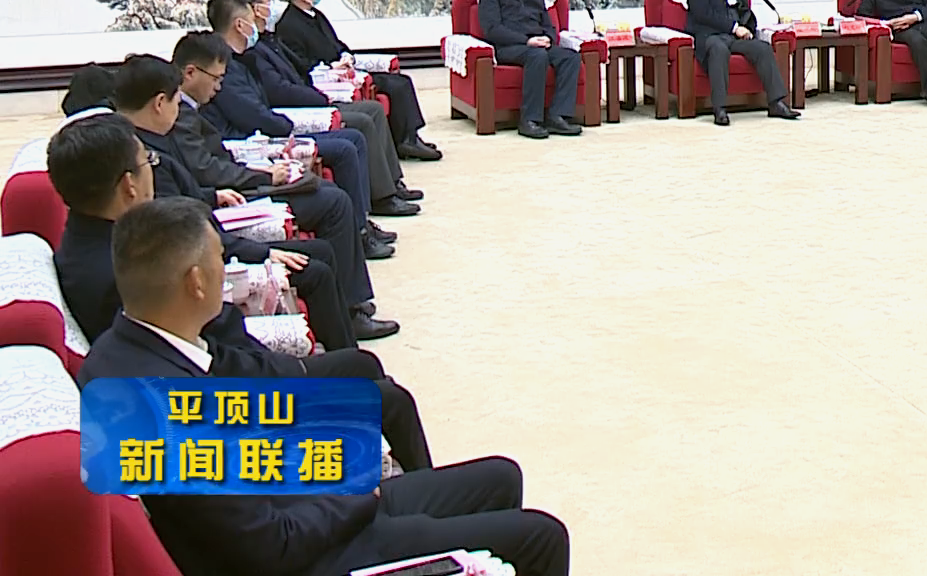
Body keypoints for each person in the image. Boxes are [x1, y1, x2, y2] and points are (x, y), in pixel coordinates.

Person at [77, 197, 566, 576]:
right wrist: (358, 496)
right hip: (315, 553)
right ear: (196, 283)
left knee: (501, 476)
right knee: (541, 536)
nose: (228, 270)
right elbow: (272, 545)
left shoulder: (132, 345)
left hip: (303, 501)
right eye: (221, 259)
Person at [49, 119, 431, 480]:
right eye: (148, 161)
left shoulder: (96, 240)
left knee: (362, 366)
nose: (154, 169)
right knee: (385, 395)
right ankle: (411, 494)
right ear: (129, 184)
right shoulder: (119, 264)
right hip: (229, 397)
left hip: (229, 365)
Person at [108, 55, 397, 345]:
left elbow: (183, 193)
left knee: (322, 244)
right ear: (160, 103)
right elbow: (177, 219)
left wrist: (212, 195)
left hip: (211, 218)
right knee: (317, 262)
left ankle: (347, 323)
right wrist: (262, 253)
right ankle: (344, 349)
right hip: (203, 245)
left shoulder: (148, 139)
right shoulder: (141, 156)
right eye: (175, 101)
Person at [171, 30, 396, 259]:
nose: (219, 86)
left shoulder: (257, 52)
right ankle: (358, 239)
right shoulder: (178, 113)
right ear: (190, 73)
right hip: (232, 179)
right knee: (334, 199)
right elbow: (207, 167)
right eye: (215, 79)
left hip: (241, 164)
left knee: (328, 186)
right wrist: (264, 174)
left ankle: (362, 228)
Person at [201, 0, 404, 223]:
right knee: (347, 145)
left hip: (273, 124)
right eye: (252, 17)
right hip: (256, 138)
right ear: (240, 24)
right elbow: (254, 112)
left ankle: (369, 214)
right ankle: (361, 225)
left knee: (355, 133)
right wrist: (290, 124)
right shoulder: (226, 65)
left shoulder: (251, 52)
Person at [239, 0, 423, 215]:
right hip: (298, 108)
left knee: (373, 109)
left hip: (313, 95)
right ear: (255, 10)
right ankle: (381, 198)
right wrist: (320, 98)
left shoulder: (271, 39)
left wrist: (340, 61)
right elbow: (279, 90)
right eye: (269, 1)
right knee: (363, 121)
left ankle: (392, 184)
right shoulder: (256, 49)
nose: (274, 5)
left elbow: (301, 69)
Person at [273, 0, 440, 161]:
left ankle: (410, 136)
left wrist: (345, 55)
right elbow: (299, 62)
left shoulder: (316, 15)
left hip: (345, 69)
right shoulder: (288, 25)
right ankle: (405, 141)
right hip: (329, 77)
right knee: (395, 86)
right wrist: (330, 66)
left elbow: (335, 43)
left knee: (401, 81)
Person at [685, 0, 801, 127]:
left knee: (762, 48)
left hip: (736, 39)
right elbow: (703, 14)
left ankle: (776, 103)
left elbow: (747, 15)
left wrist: (748, 29)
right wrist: (734, 27)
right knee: (719, 49)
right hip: (711, 36)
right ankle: (719, 108)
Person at [476, 0, 583, 140]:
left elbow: (548, 25)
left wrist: (548, 38)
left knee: (570, 57)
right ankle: (529, 120)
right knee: (537, 56)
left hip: (539, 43)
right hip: (509, 47)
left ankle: (558, 115)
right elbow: (492, 29)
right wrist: (526, 41)